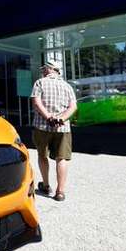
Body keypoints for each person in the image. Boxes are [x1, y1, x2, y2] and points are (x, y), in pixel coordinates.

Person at [31, 60, 77, 202]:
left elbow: (36, 102)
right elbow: (73, 107)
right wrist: (61, 118)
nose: (42, 71)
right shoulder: (67, 86)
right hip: (63, 128)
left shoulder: (40, 82)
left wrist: (49, 117)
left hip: (42, 126)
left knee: (42, 156)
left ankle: (45, 185)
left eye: (44, 69)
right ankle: (60, 192)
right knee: (61, 158)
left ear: (50, 69)